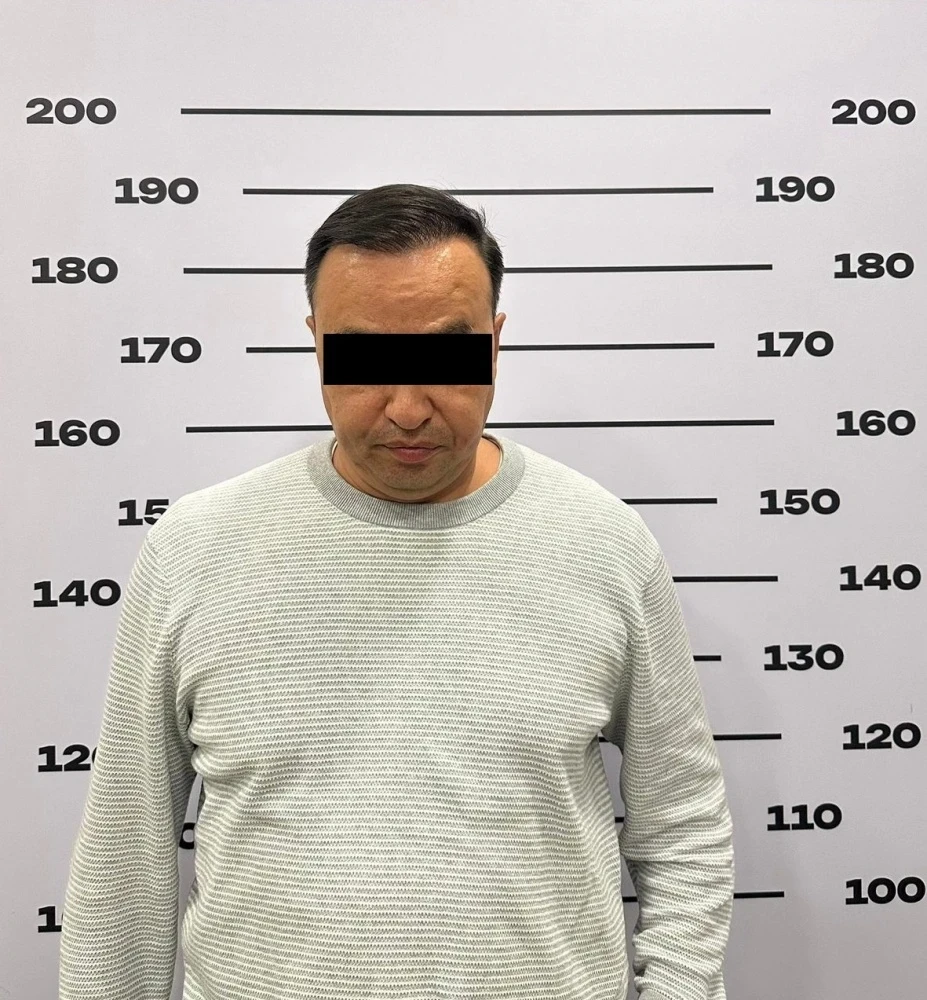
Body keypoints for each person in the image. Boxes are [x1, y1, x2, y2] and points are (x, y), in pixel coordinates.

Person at [59, 183, 734, 1000]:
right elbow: (126, 852)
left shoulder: (604, 543)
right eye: (366, 359)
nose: (408, 409)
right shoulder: (195, 550)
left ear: (494, 344)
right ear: (316, 346)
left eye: (446, 358)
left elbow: (681, 822)